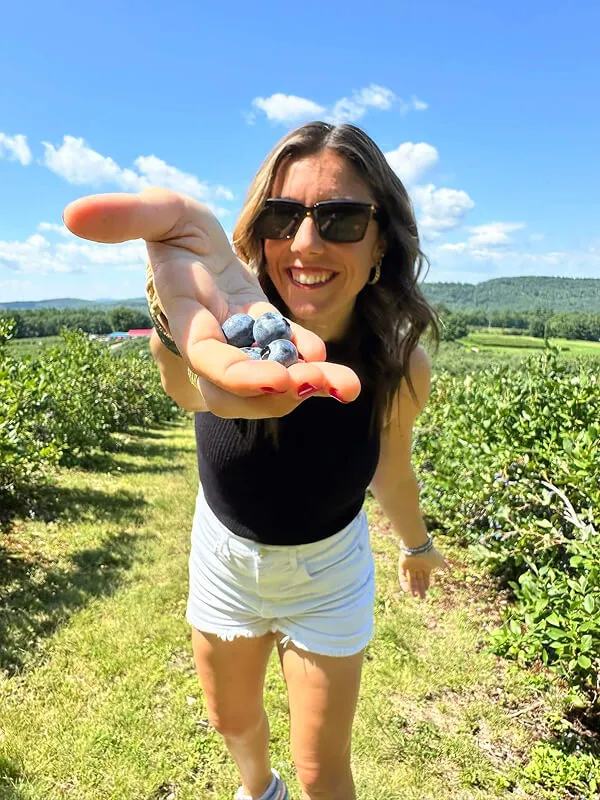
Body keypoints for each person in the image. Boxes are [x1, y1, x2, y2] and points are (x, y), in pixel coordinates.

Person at [63, 121, 450, 800]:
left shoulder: (396, 366)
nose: (306, 243)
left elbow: (391, 467)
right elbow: (187, 392)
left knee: (321, 770)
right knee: (230, 719)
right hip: (226, 560)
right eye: (283, 216)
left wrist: (416, 545)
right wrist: (174, 331)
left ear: (382, 238)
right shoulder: (227, 332)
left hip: (330, 570)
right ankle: (255, 788)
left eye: (341, 218)